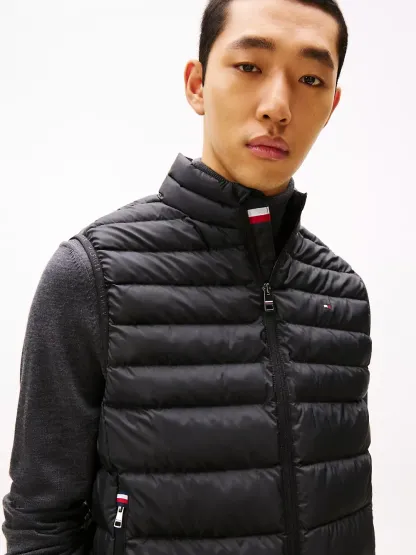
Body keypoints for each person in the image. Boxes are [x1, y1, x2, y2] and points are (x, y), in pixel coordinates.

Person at [2, 0, 375, 553]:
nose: (278, 106)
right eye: (249, 67)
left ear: (332, 105)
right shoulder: (93, 275)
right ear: (197, 85)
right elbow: (41, 522)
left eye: (311, 79)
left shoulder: (342, 296)